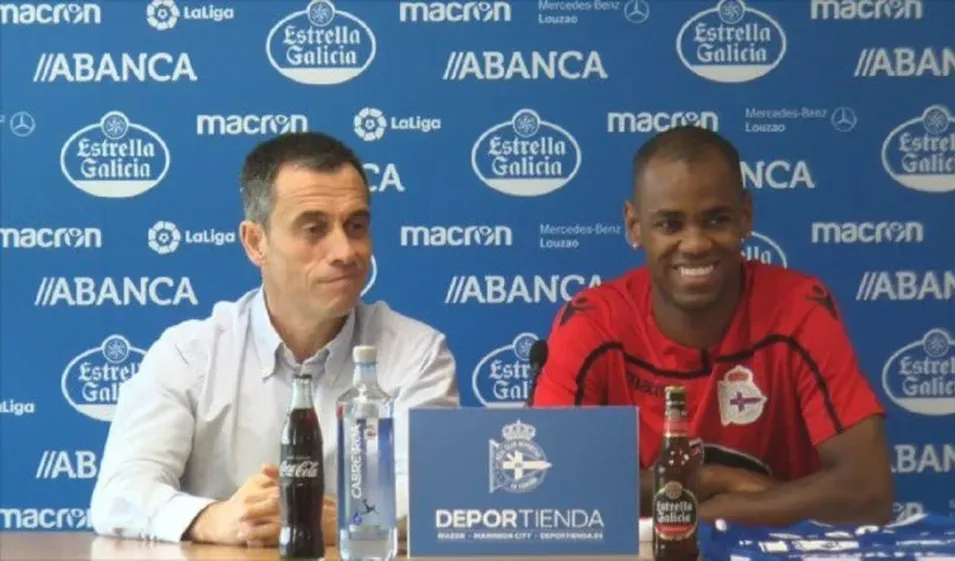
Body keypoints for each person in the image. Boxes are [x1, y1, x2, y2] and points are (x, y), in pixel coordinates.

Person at [90, 132, 459, 545]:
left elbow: (439, 496)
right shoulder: (189, 354)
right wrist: (213, 518)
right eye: (314, 229)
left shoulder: (417, 354)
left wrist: (344, 521)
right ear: (255, 242)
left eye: (356, 226)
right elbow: (119, 491)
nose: (346, 251)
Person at [528, 126, 893, 527]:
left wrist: (705, 518)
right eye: (669, 224)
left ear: (746, 217)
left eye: (716, 219)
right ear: (634, 226)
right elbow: (548, 485)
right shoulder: (592, 325)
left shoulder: (799, 311)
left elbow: (868, 492)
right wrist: (711, 479)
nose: (696, 243)